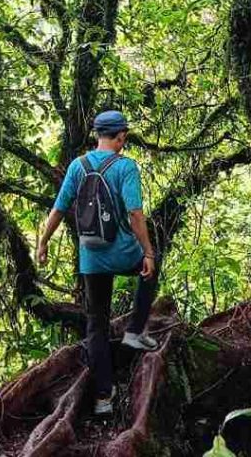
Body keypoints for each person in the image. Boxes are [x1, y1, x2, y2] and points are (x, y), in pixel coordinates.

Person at [37, 110, 159, 416]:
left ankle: (104, 398)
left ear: (97, 136)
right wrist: (147, 251)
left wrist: (42, 242)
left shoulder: (78, 166)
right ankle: (135, 331)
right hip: (123, 253)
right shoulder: (126, 167)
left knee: (97, 324)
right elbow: (135, 214)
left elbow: (59, 208)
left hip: (91, 256)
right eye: (124, 136)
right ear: (120, 137)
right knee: (148, 271)